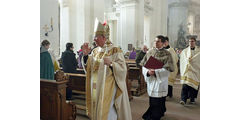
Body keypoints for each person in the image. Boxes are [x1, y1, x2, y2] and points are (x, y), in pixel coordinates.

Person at [82, 19, 132, 120]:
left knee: (108, 112)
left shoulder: (115, 49)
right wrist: (86, 55)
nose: (94, 40)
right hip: (95, 86)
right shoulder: (95, 51)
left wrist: (112, 64)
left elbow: (123, 69)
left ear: (104, 37)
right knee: (96, 109)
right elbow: (89, 68)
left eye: (96, 37)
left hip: (108, 87)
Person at [140, 35, 174, 120]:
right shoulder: (149, 52)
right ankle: (157, 112)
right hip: (151, 79)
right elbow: (143, 65)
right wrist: (147, 72)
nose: (155, 43)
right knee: (152, 98)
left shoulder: (167, 53)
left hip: (160, 80)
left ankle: (156, 115)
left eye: (158, 41)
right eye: (155, 41)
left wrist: (156, 72)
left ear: (163, 43)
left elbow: (168, 68)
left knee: (159, 99)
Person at [179, 37, 200, 105]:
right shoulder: (185, 51)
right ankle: (183, 99)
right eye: (190, 41)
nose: (191, 43)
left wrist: (193, 61)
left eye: (192, 41)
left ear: (195, 42)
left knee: (193, 86)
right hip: (187, 70)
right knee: (185, 85)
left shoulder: (199, 51)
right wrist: (187, 61)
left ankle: (192, 98)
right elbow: (182, 60)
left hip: (195, 71)